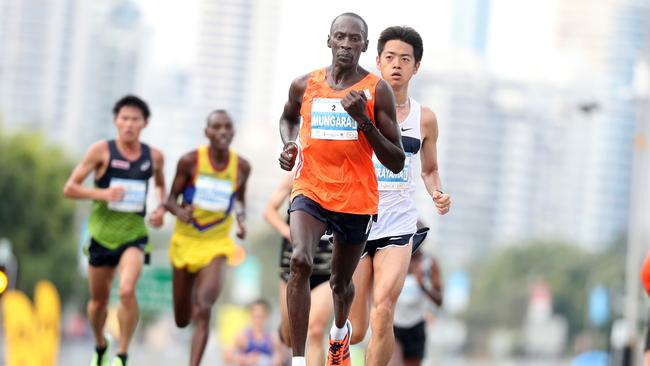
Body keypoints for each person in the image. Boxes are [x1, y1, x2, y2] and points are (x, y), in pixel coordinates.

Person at [277, 12, 406, 366]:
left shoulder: (376, 90)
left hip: (355, 198)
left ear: (365, 46)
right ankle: (299, 360)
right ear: (329, 40)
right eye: (340, 37)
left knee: (339, 283)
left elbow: (395, 159)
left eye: (355, 39)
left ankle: (339, 332)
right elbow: (289, 117)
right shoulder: (304, 84)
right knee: (300, 261)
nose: (346, 45)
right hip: (311, 189)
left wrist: (363, 121)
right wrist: (290, 145)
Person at [348, 26, 451, 365]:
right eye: (389, 57)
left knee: (383, 310)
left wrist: (437, 192)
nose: (396, 65)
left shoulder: (425, 119)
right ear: (377, 61)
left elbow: (428, 169)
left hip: (398, 223)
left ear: (416, 67)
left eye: (405, 59)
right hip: (358, 219)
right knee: (358, 328)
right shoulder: (356, 106)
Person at [63, 95, 166, 366]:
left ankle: (122, 354)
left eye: (135, 119)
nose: (129, 124)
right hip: (101, 235)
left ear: (145, 124)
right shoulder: (101, 151)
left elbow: (160, 188)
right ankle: (100, 344)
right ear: (115, 121)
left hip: (133, 236)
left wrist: (160, 211)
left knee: (126, 291)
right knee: (98, 302)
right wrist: (103, 193)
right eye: (124, 118)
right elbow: (70, 188)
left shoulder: (153, 157)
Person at [165, 110, 251, 366]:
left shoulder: (242, 167)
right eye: (217, 127)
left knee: (203, 308)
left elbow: (240, 202)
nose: (223, 132)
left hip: (217, 244)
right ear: (207, 132)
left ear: (233, 132)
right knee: (182, 320)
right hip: (185, 242)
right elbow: (170, 201)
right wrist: (181, 212)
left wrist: (242, 221)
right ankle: (187, 300)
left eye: (227, 127)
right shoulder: (189, 161)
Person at [263, 174, 333, 366]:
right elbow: (269, 211)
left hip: (325, 268)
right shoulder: (297, 174)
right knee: (290, 336)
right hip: (292, 266)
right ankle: (283, 335)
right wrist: (287, 231)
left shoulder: (342, 172)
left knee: (316, 330)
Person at [389, 249, 443, 366]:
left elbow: (440, 300)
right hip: (394, 325)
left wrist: (423, 286)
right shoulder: (394, 257)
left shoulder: (429, 262)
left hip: (416, 326)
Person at [228, 299, 283, 366]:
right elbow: (227, 356)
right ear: (251, 316)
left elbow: (280, 359)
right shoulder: (241, 336)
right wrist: (243, 359)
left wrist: (266, 360)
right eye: (256, 316)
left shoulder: (273, 338)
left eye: (260, 316)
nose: (258, 320)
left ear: (266, 316)